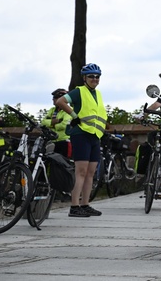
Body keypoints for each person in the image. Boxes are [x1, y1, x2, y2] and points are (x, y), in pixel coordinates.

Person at [55, 63, 107, 218]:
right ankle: (74, 206)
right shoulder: (79, 91)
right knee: (81, 172)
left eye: (97, 76)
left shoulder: (98, 94)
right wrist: (74, 116)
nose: (95, 79)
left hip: (94, 136)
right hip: (81, 134)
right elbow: (60, 102)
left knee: (91, 172)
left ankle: (85, 204)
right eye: (91, 76)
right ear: (85, 78)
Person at [42, 89, 72, 158]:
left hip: (64, 142)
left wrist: (51, 124)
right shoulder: (52, 110)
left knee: (64, 163)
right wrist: (55, 121)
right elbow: (43, 122)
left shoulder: (69, 110)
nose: (53, 99)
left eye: (55, 98)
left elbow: (64, 124)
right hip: (52, 141)